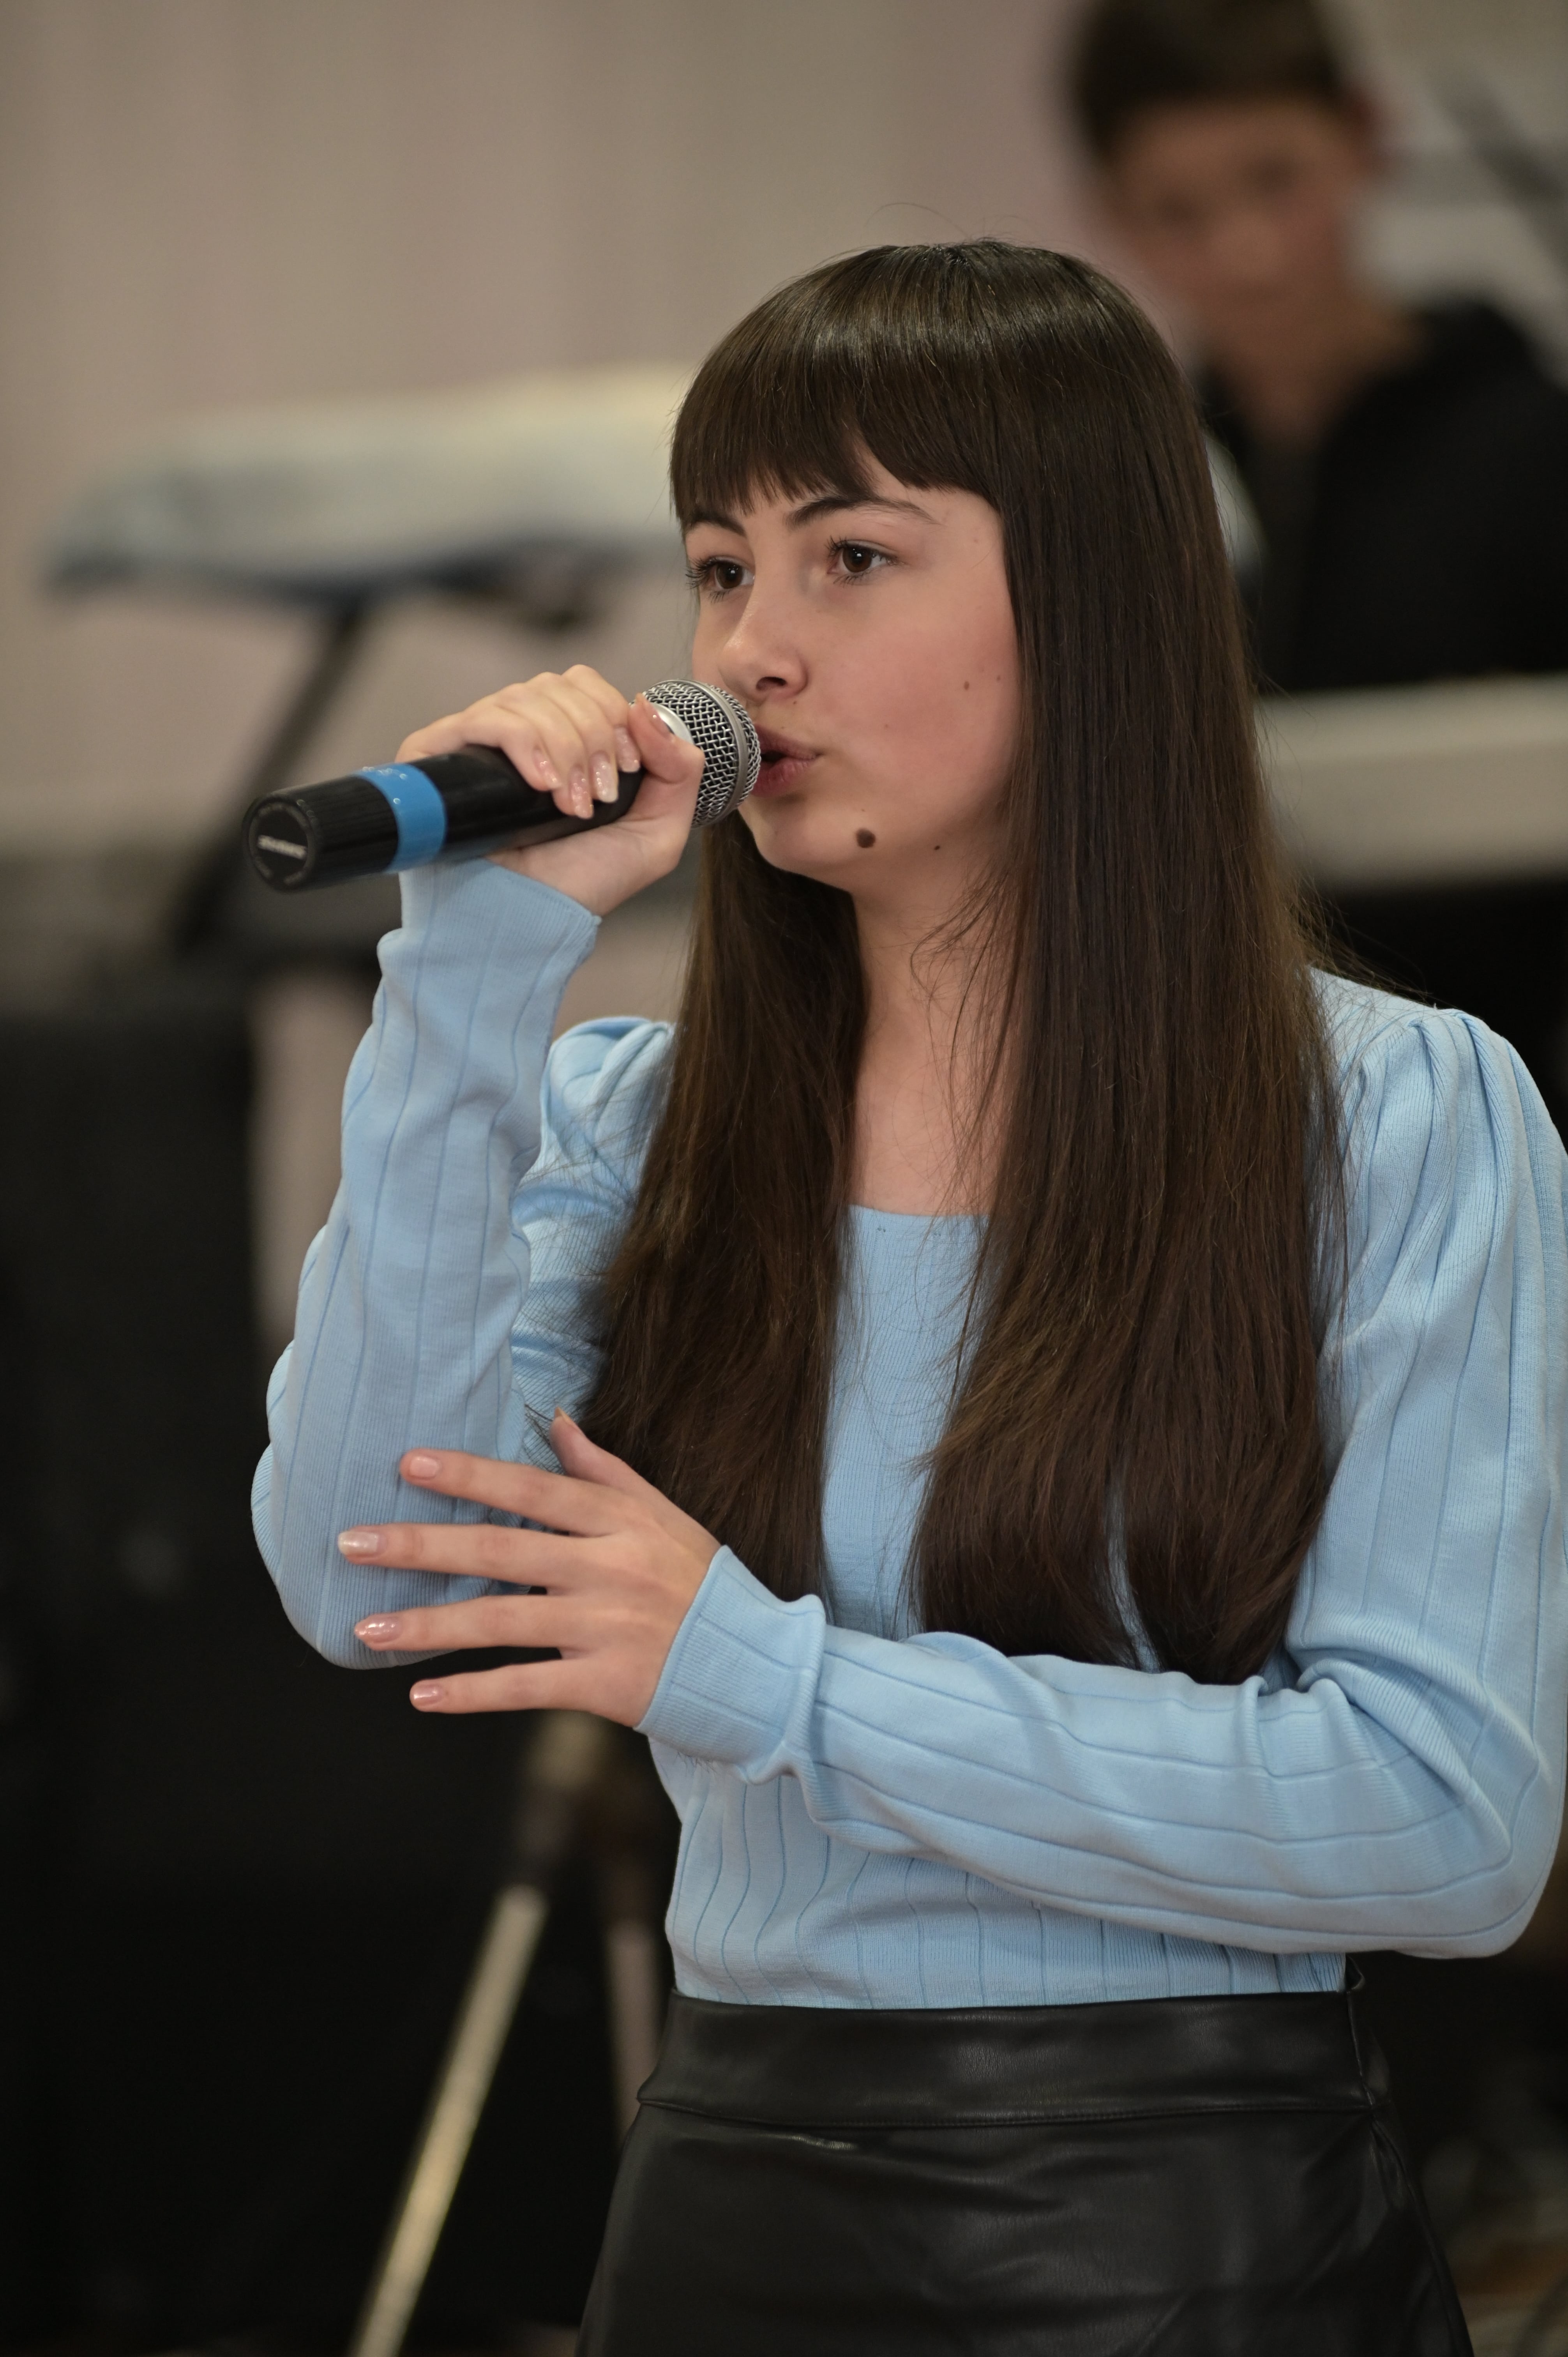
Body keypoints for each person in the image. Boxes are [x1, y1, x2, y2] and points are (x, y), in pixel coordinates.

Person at [255, 241, 1568, 2354]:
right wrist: (473, 965)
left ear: (1091, 603)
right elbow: (362, 1578)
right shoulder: (637, 1118)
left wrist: (774, 1683)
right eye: (717, 568)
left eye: (850, 558)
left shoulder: (1397, 1116)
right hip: (721, 2211)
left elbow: (1442, 1824)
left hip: (1194, 2238)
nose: (748, 650)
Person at [1068, 0, 1568, 1137]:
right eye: (1179, 210)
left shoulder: (1536, 453)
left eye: (1276, 179)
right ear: (1113, 214)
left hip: (1516, 1115)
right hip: (1220, 1126)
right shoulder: (1131, 489)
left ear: (1366, 138)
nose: (1245, 250)